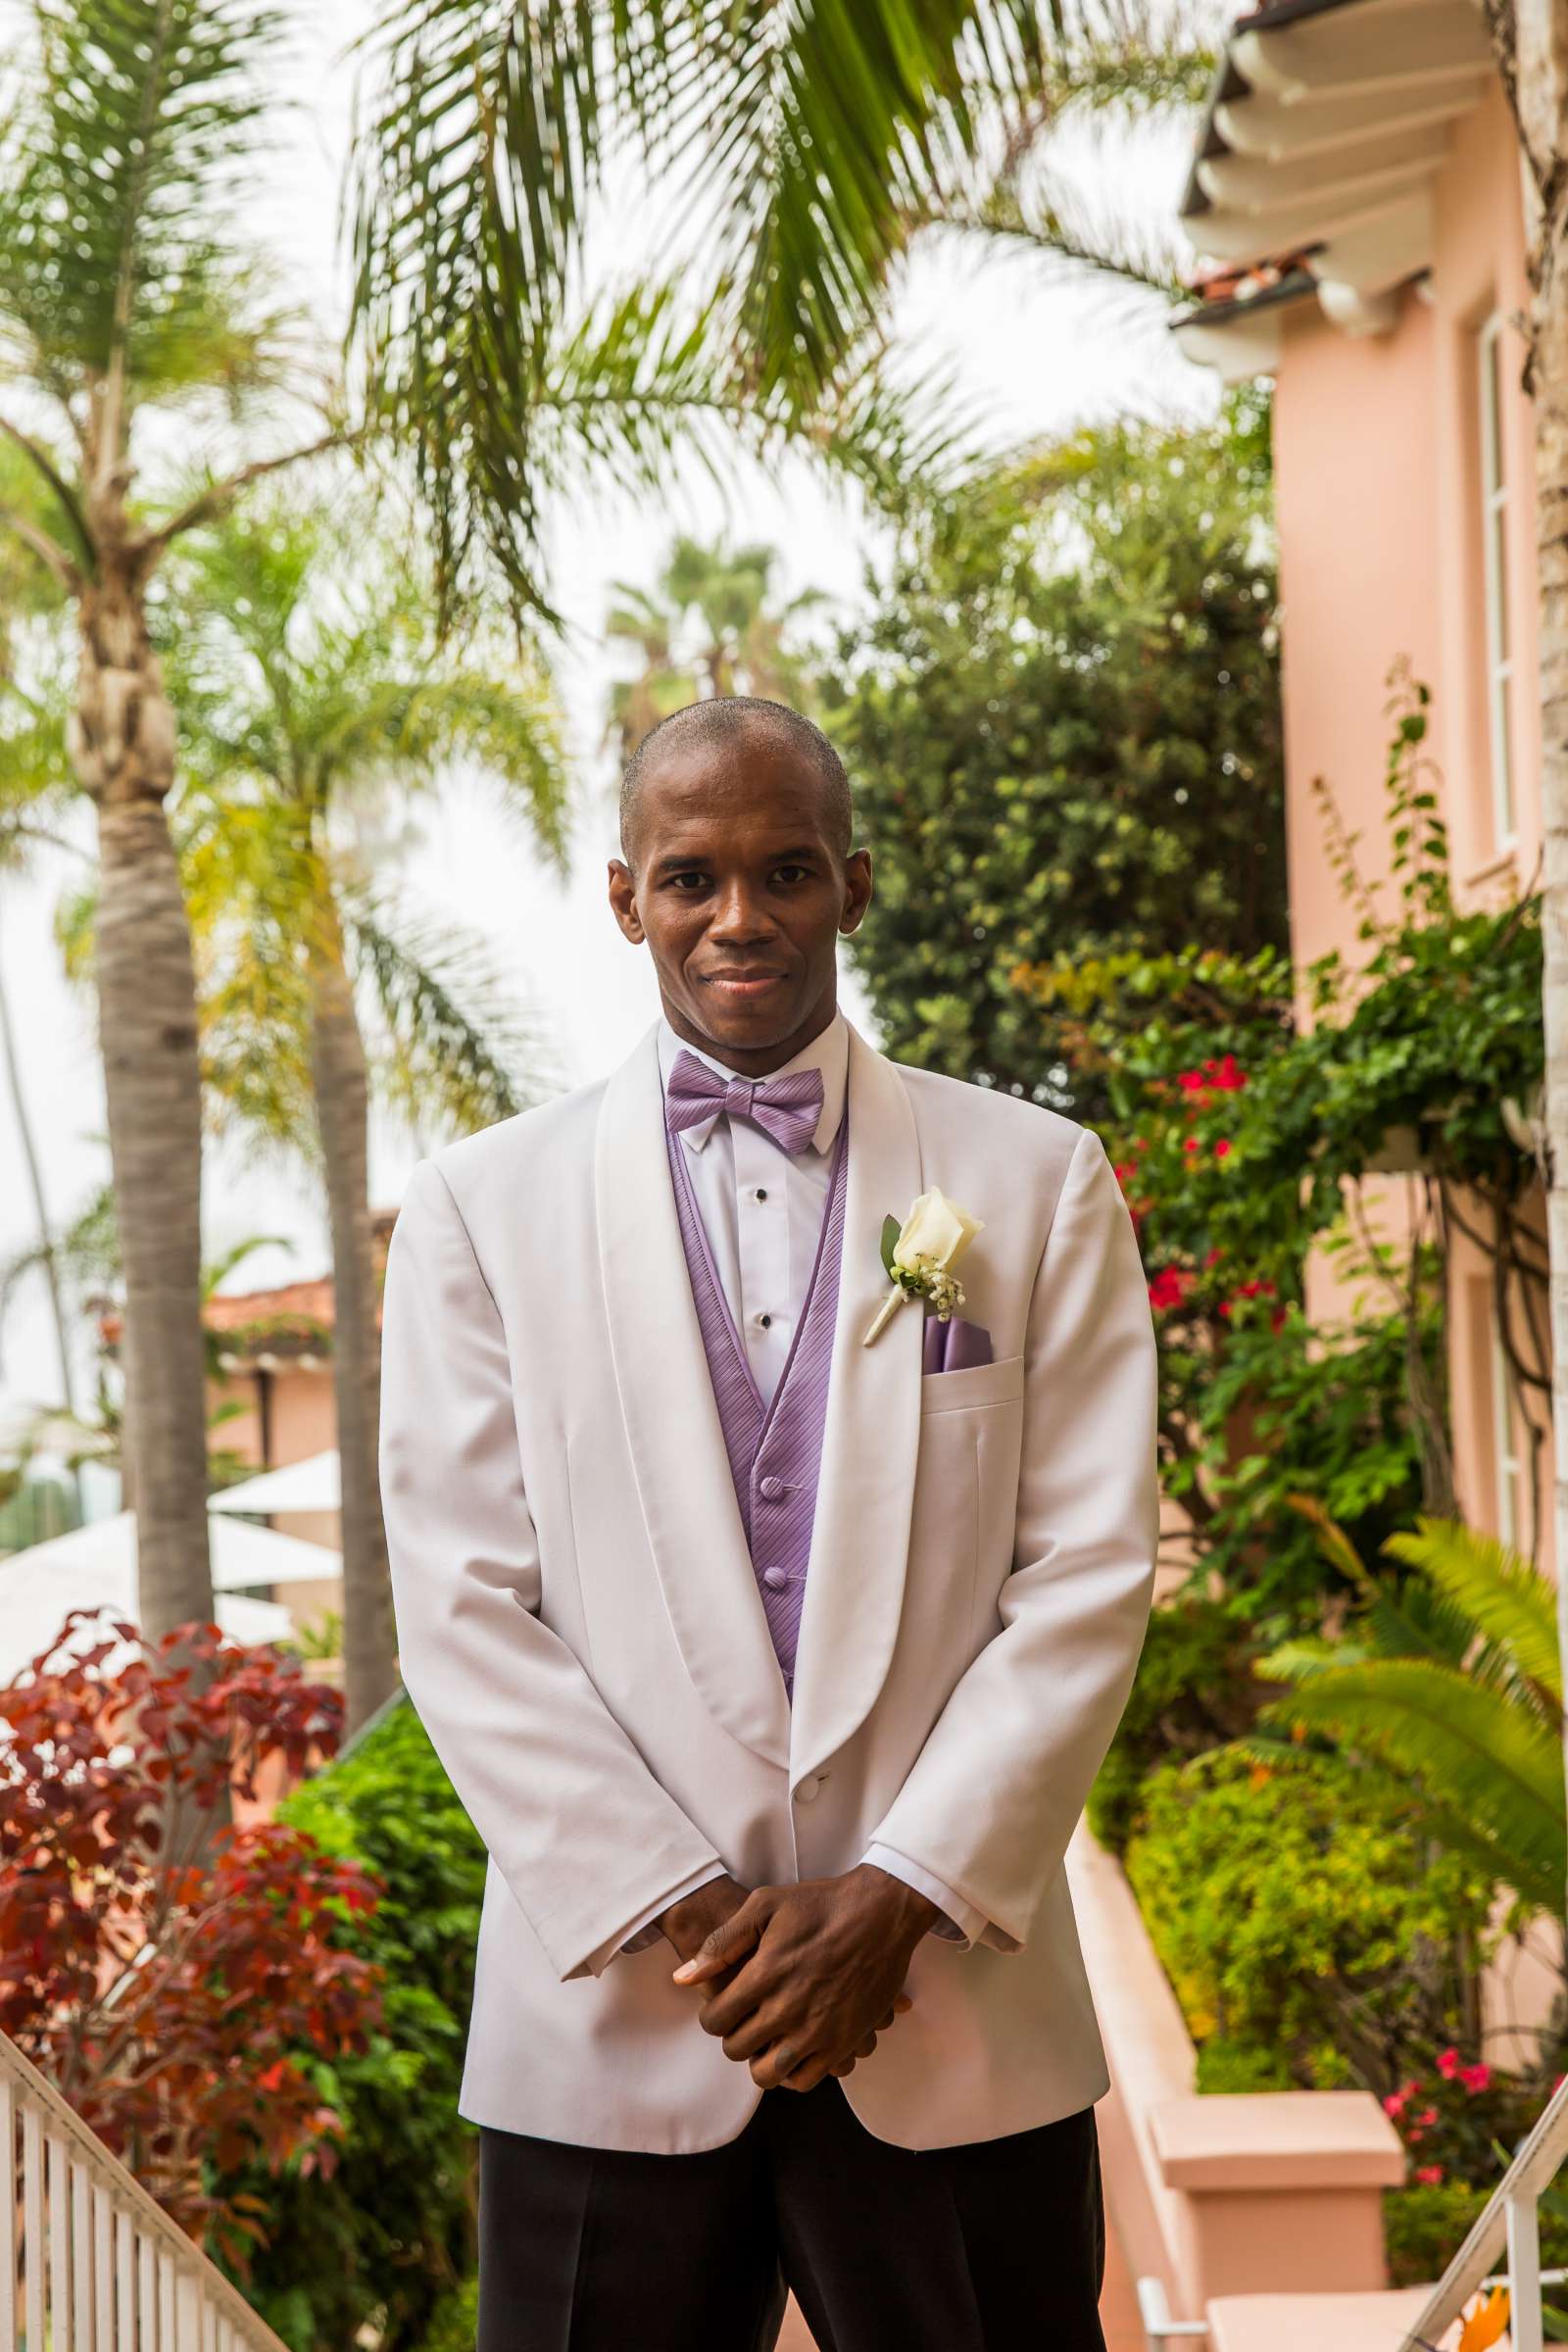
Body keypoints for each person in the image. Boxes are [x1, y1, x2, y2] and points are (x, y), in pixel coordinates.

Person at [378, 695, 1160, 2350]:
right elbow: (461, 1601)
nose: (741, 918)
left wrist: (900, 1894)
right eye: (691, 878)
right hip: (613, 2027)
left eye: (787, 871)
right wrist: (688, 1914)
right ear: (625, 898)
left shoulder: (1032, 1180)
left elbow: (1087, 1571)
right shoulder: (477, 1212)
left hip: (950, 2015)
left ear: (855, 885)